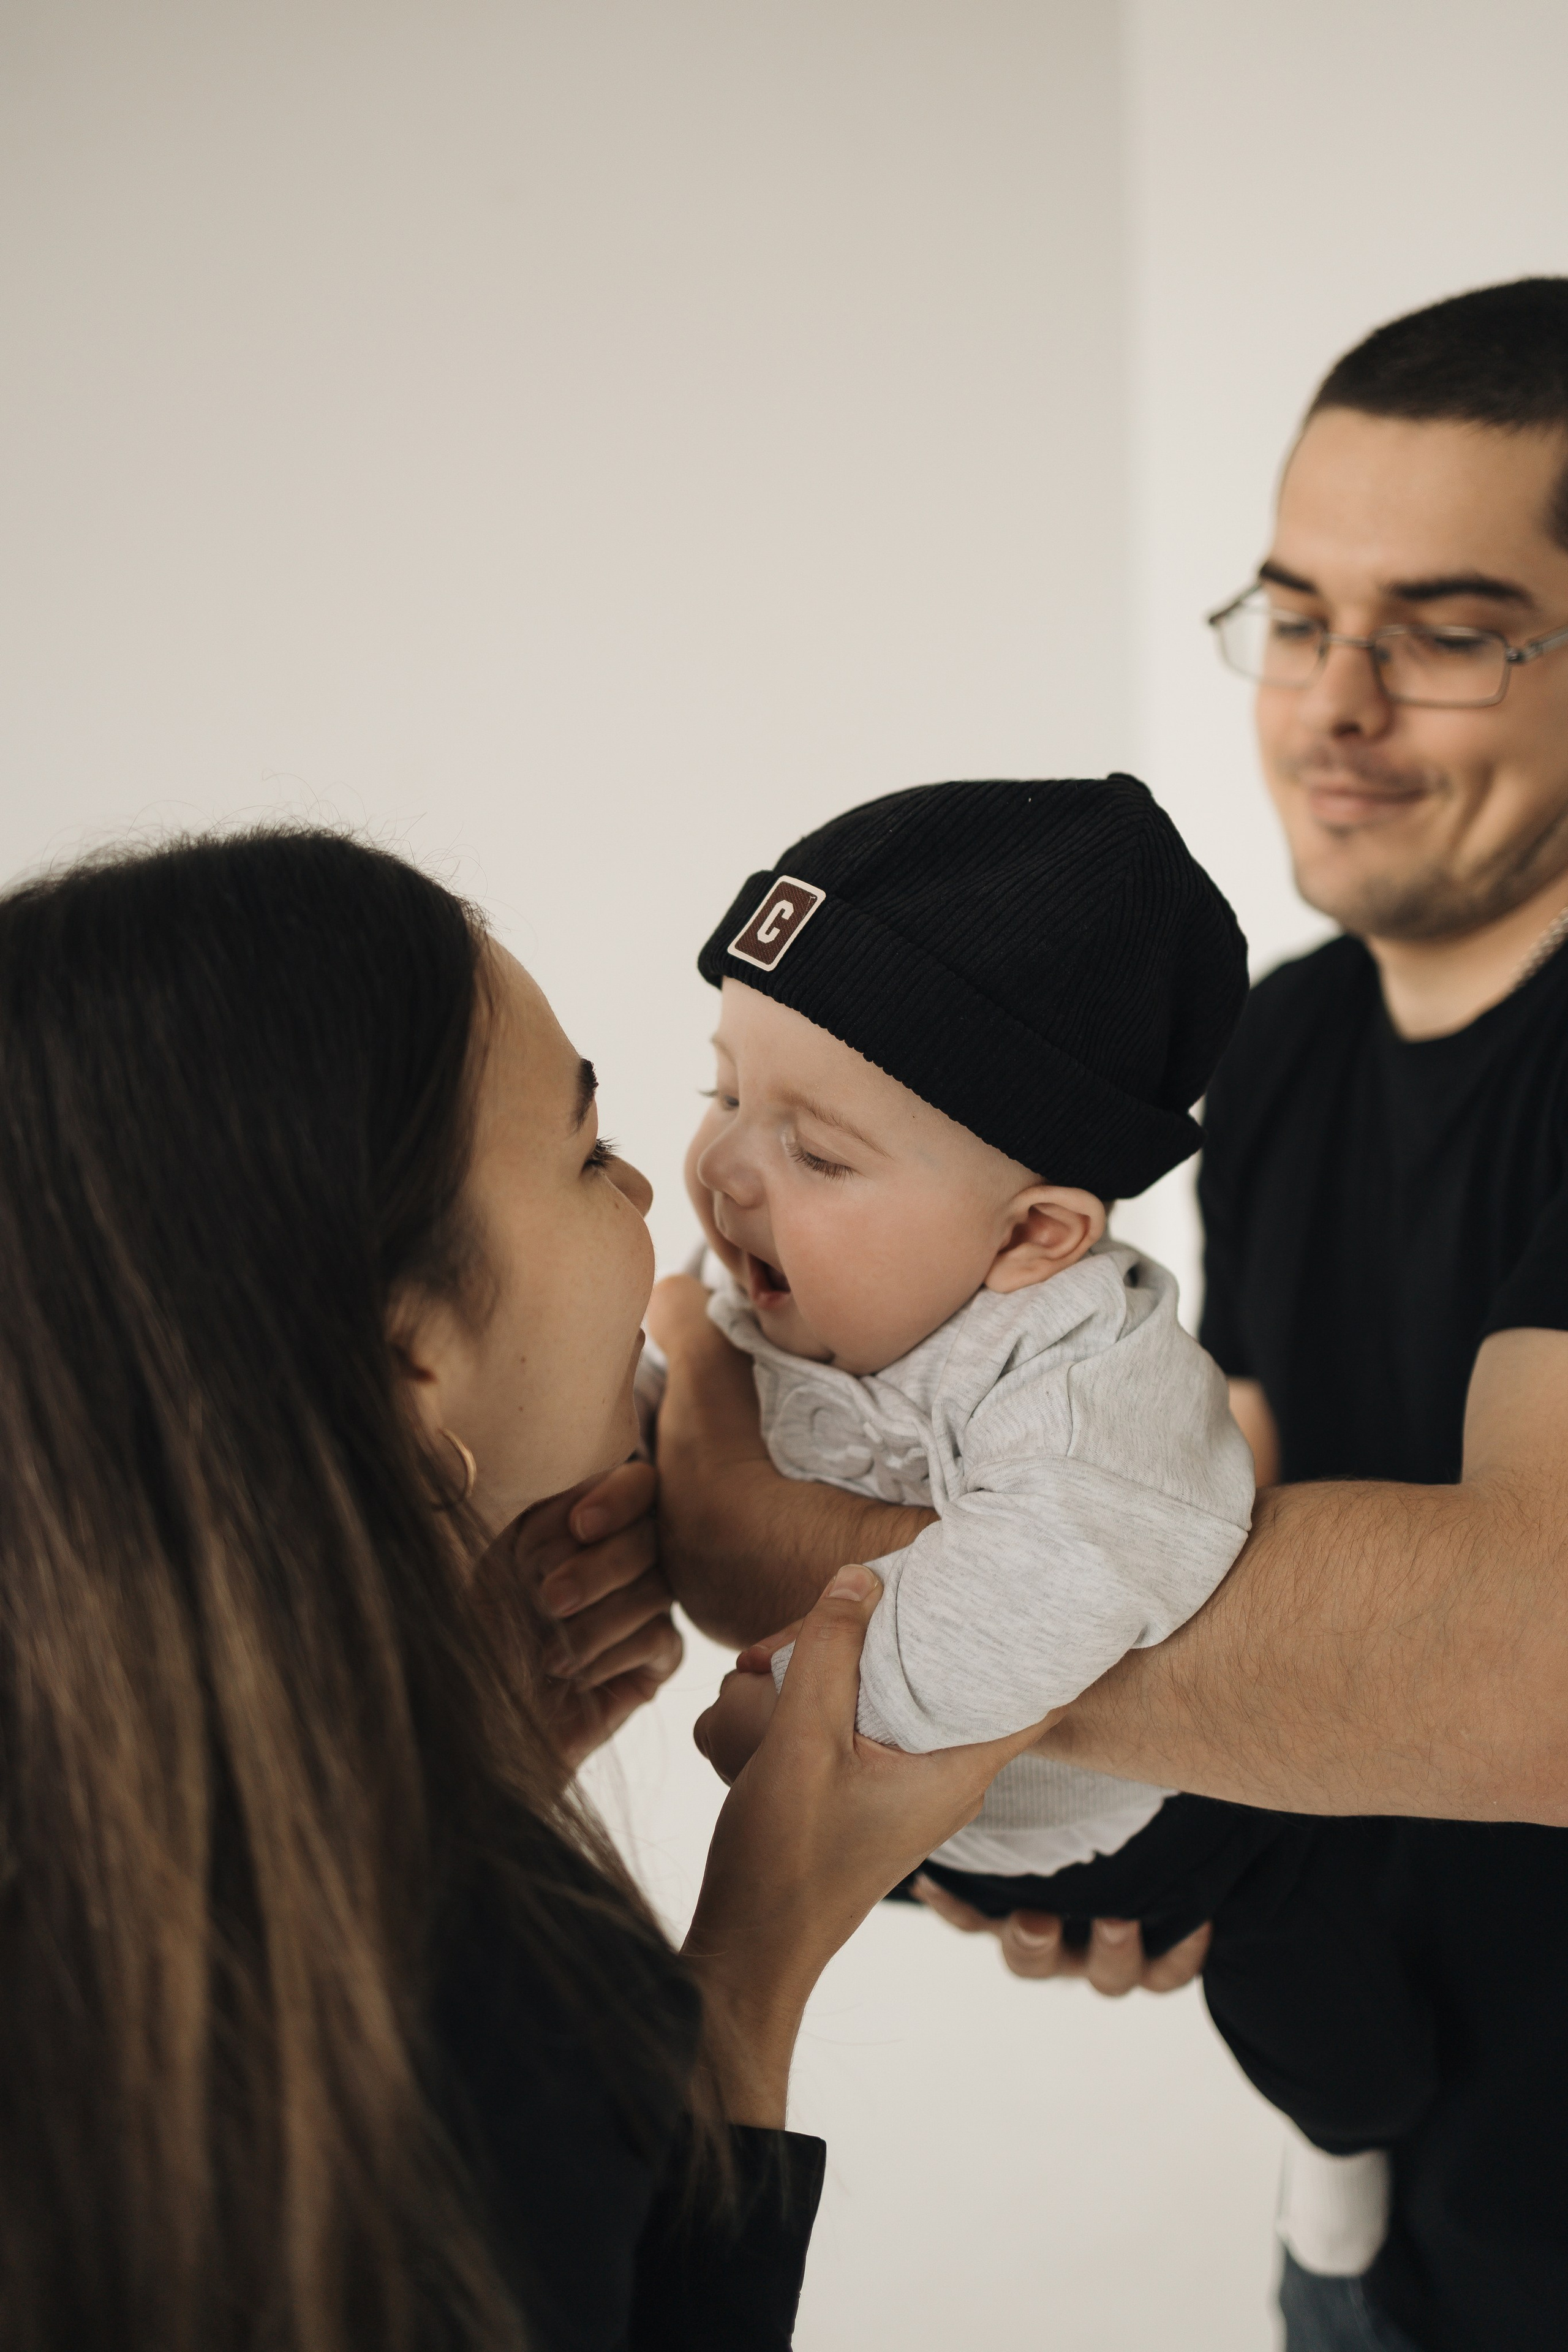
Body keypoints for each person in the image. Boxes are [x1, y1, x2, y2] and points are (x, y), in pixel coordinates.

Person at [646, 277, 1568, 2352]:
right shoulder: (1300, 1046)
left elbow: (1538, 1664)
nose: (1333, 700)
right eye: (1297, 614)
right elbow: (1222, 1474)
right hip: (1406, 2212)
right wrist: (1128, 1809)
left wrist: (761, 1535)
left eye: (1439, 631)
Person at [0, 826, 1041, 2352]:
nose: (653, 1199)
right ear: (409, 1351)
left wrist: (466, 1767)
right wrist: (747, 1966)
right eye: (581, 1152)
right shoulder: (476, 1993)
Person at [656, 771, 1436, 2162]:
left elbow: (1063, 1555)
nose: (724, 1167)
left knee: (1332, 2031)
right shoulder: (777, 1296)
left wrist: (798, 1710)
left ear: (1031, 1238)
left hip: (1160, 1812)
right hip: (952, 1802)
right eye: (722, 1087)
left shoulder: (1082, 1375)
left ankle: (1352, 2166)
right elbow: (655, 1420)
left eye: (815, 1151)